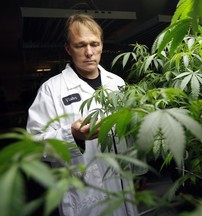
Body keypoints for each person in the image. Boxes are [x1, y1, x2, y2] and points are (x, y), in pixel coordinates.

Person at [26, 14, 138, 216]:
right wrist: (71, 136)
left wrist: (138, 171)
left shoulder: (118, 83)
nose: (89, 52)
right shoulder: (52, 90)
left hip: (123, 189)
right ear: (68, 49)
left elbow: (128, 134)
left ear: (102, 45)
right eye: (80, 45)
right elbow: (33, 145)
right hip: (84, 199)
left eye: (94, 44)